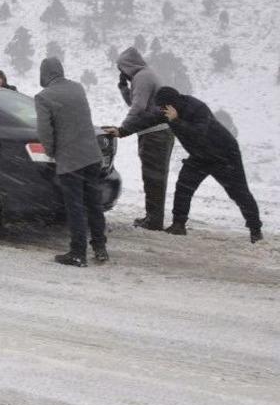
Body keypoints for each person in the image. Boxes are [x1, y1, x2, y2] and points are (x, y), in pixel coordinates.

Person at [107, 87, 263, 243]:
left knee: (239, 192)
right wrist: (122, 131)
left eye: (163, 107)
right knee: (183, 187)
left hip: (224, 155)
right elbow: (148, 119)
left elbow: (198, 134)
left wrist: (176, 120)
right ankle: (178, 225)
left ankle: (256, 230)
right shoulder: (167, 110)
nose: (161, 110)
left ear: (171, 104)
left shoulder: (197, 108)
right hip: (200, 156)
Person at [35, 57, 108, 267]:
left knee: (75, 207)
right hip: (92, 155)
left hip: (71, 159)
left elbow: (44, 131)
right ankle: (100, 248)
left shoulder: (43, 97)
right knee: (94, 204)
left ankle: (77, 253)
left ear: (44, 74)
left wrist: (50, 152)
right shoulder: (78, 88)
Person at [115, 47, 174, 230]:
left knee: (153, 177)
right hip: (158, 132)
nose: (121, 72)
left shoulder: (142, 77)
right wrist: (124, 88)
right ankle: (153, 217)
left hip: (154, 134)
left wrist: (123, 128)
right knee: (156, 177)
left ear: (128, 66)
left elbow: (138, 108)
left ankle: (153, 220)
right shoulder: (146, 75)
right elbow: (138, 104)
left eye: (121, 68)